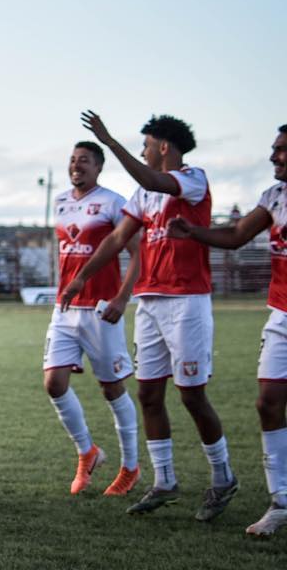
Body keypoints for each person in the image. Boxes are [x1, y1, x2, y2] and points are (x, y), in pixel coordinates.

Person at [62, 112, 235, 521]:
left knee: (192, 394)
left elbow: (154, 180)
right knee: (149, 394)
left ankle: (224, 476)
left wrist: (107, 139)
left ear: (162, 147)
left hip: (187, 301)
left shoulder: (192, 178)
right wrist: (81, 278)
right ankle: (164, 480)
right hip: (150, 302)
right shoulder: (144, 196)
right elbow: (117, 239)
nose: (141, 152)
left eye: (144, 145)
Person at [163, 124, 287, 536]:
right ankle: (281, 502)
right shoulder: (274, 197)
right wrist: (193, 231)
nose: (273, 157)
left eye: (282, 150)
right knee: (268, 403)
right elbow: (235, 235)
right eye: (273, 150)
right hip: (282, 317)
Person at [44, 141, 141, 496]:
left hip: (102, 311)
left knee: (112, 388)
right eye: (72, 160)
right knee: (54, 383)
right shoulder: (60, 202)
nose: (76, 165)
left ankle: (130, 467)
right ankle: (88, 452)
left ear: (99, 167)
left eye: (84, 160)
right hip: (65, 308)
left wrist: (122, 296)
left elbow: (137, 253)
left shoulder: (115, 203)